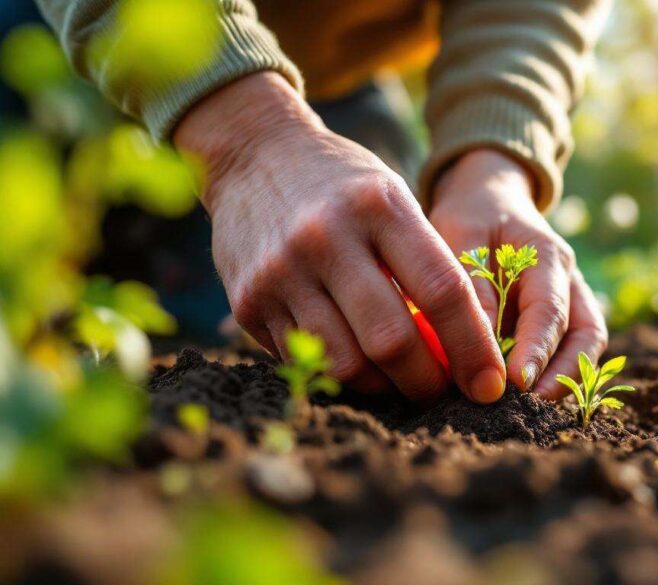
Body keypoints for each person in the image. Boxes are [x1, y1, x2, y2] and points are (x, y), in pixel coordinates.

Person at [35, 0, 612, 406]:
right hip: (50, 37)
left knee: (353, 328)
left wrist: (491, 163)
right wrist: (244, 137)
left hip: (333, 85)